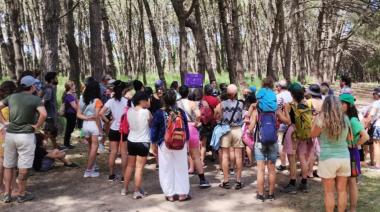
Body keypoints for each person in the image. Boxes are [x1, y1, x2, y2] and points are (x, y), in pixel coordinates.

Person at [0, 75, 47, 203]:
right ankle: (21, 194)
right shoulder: (35, 99)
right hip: (26, 136)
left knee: (8, 165)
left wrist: (5, 123)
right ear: (32, 86)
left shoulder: (11, 97)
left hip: (10, 135)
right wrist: (37, 126)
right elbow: (44, 114)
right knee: (23, 166)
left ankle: (7, 194)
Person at [311, 95, 351, 212]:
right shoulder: (345, 118)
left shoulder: (322, 118)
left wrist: (315, 118)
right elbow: (348, 138)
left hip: (328, 158)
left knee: (329, 192)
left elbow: (312, 134)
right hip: (344, 157)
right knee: (342, 191)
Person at [151, 89, 191, 202]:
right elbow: (186, 129)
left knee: (166, 168)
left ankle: (170, 194)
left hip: (164, 143)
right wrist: (186, 142)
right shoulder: (181, 112)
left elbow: (154, 129)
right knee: (181, 167)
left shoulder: (159, 113)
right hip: (180, 143)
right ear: (175, 100)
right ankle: (182, 193)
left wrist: (153, 143)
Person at [340, 93, 369, 212]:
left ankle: (352, 209)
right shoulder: (346, 118)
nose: (339, 106)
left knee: (352, 182)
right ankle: (345, 206)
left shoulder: (352, 120)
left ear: (348, 105)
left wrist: (354, 145)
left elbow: (365, 137)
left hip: (351, 155)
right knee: (345, 182)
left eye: (341, 103)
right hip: (345, 154)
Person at [177, 85, 211, 188]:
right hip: (191, 128)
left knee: (180, 155)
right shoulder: (192, 103)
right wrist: (196, 123)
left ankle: (180, 181)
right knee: (196, 155)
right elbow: (199, 114)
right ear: (188, 93)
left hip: (179, 128)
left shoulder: (176, 103)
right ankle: (202, 180)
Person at [282, 83, 313, 194]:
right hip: (304, 134)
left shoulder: (291, 105)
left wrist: (285, 109)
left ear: (292, 94)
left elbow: (288, 121)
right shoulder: (306, 104)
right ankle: (304, 182)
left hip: (293, 133)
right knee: (302, 157)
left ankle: (292, 182)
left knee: (291, 158)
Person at [121, 91, 151, 199]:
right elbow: (151, 123)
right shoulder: (146, 112)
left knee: (130, 166)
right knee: (139, 168)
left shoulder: (129, 111)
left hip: (131, 141)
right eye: (146, 100)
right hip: (143, 141)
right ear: (141, 101)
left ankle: (124, 189)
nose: (147, 102)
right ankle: (136, 191)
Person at [214, 84, 244, 190]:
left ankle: (226, 181)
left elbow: (216, 114)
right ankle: (238, 181)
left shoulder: (221, 104)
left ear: (227, 93)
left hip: (225, 130)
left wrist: (220, 119)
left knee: (225, 156)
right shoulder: (240, 104)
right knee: (239, 156)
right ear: (236, 93)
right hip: (237, 130)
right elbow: (242, 116)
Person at [100, 80, 129, 182]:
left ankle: (111, 175)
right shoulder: (127, 101)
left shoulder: (110, 101)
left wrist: (108, 122)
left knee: (113, 152)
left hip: (113, 129)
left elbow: (101, 113)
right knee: (124, 153)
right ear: (123, 90)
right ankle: (124, 176)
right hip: (124, 130)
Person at [77, 79, 103, 178]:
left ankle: (93, 166)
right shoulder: (97, 101)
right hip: (94, 125)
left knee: (90, 147)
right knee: (94, 148)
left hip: (85, 125)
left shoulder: (81, 98)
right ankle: (88, 170)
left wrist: (86, 117)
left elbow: (78, 114)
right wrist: (101, 131)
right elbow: (96, 116)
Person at [0, 81, 16, 194]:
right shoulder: (10, 103)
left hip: (2, 134)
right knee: (9, 163)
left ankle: (3, 187)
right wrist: (5, 123)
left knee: (2, 161)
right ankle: (12, 187)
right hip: (5, 134)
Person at [305, 84, 324, 178]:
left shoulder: (308, 102)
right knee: (320, 149)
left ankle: (310, 171)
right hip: (322, 126)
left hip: (311, 127)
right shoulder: (324, 102)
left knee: (310, 150)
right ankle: (321, 170)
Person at [275, 80, 293, 171]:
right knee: (291, 142)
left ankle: (283, 164)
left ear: (279, 87)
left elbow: (276, 109)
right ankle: (292, 163)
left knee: (281, 143)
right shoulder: (291, 95)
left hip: (282, 122)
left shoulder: (278, 96)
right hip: (292, 122)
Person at [200, 84, 220, 165]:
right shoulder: (215, 100)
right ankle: (213, 156)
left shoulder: (202, 99)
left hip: (204, 123)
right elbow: (218, 111)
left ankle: (202, 160)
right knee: (214, 140)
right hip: (213, 122)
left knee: (203, 143)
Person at [43, 72, 60, 149]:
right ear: (52, 79)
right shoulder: (49, 88)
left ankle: (55, 146)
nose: (56, 79)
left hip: (50, 113)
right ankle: (43, 148)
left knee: (52, 131)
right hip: (49, 114)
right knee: (48, 132)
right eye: (55, 77)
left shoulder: (48, 87)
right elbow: (45, 100)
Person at [365, 87, 380, 169]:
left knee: (376, 145)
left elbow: (371, 115)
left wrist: (366, 124)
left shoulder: (376, 103)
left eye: (374, 94)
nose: (373, 95)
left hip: (377, 125)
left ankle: (377, 164)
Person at [62, 81, 78, 149]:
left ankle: (67, 143)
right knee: (69, 128)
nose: (74, 86)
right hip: (70, 114)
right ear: (70, 87)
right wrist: (80, 112)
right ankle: (66, 144)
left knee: (70, 128)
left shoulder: (71, 94)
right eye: (73, 85)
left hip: (71, 114)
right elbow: (74, 106)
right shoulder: (69, 96)